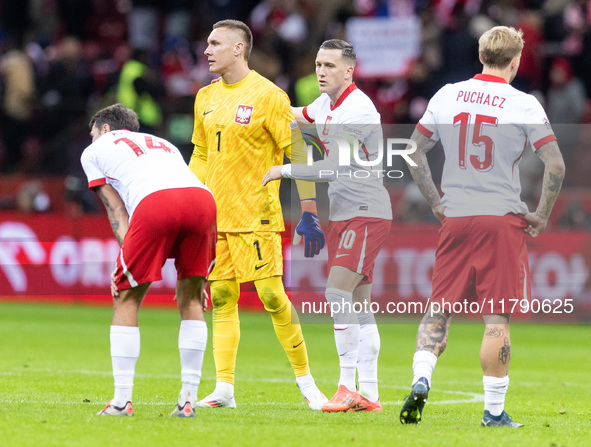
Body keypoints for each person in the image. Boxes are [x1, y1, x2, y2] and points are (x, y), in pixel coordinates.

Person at [398, 26, 565, 427]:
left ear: (480, 56)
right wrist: (541, 214)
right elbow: (555, 164)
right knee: (496, 319)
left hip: (455, 215)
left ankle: (422, 378)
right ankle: (493, 413)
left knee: (438, 310)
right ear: (515, 61)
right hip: (501, 217)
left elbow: (413, 151)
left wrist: (436, 201)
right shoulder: (524, 103)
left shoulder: (447, 94)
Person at [189, 19, 326, 410]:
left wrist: (309, 210)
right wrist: (190, 192)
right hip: (216, 216)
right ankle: (224, 389)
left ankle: (307, 384)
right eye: (207, 42)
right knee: (222, 295)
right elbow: (200, 152)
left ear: (238, 49)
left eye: (215, 43)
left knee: (270, 294)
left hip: (255, 213)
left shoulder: (269, 96)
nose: (207, 50)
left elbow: (297, 152)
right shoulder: (204, 97)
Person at [263, 39, 392, 412]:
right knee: (358, 302)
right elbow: (290, 114)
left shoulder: (358, 109)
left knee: (336, 293)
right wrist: (259, 99)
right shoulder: (325, 104)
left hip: (365, 211)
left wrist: (283, 170)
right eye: (318, 64)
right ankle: (369, 393)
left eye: (330, 66)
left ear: (349, 71)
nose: (321, 71)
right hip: (344, 212)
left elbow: (333, 167)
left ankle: (347, 386)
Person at [80, 104, 216, 418]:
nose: (91, 140)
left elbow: (117, 211)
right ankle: (187, 402)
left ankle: (121, 401)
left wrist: (127, 261)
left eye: (92, 134)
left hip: (157, 202)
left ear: (104, 129)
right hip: (202, 200)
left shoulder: (95, 150)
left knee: (126, 296)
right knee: (192, 298)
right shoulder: (163, 143)